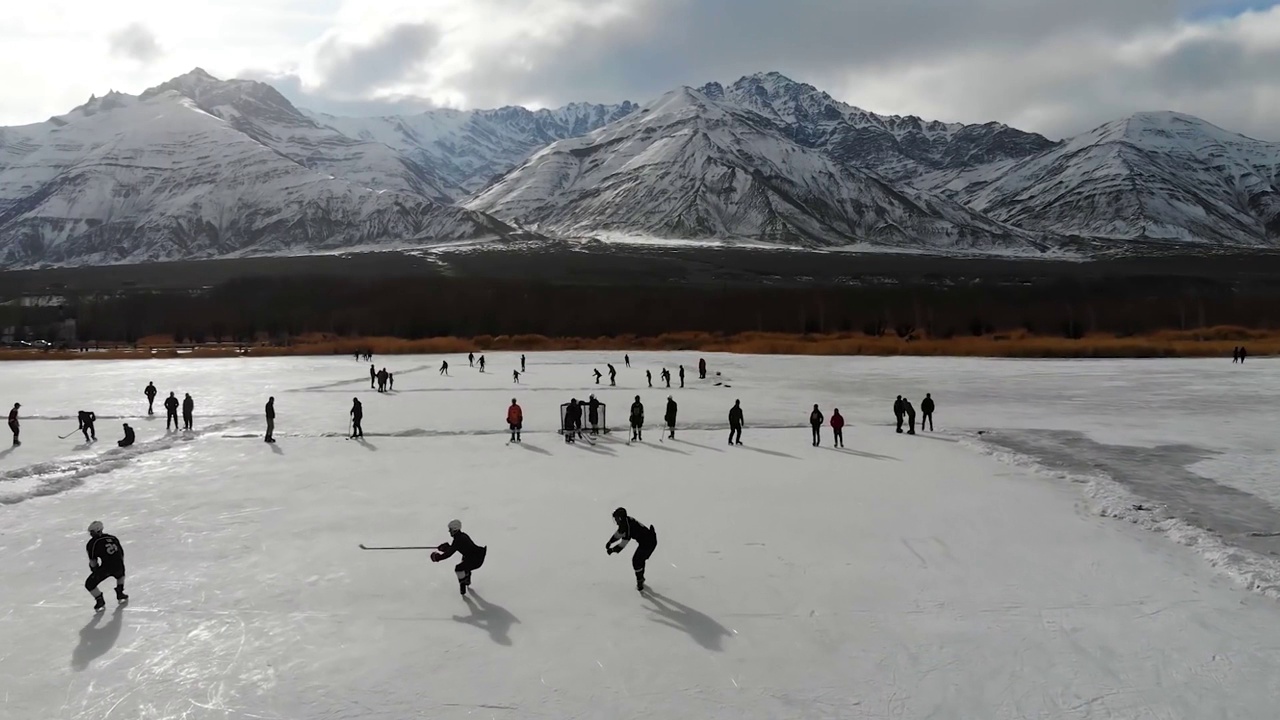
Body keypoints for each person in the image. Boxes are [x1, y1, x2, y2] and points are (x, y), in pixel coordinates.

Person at [606, 507, 657, 592]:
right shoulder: (627, 521)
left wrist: (612, 550)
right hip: (648, 540)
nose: (616, 521)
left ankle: (640, 581)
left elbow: (622, 545)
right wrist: (610, 542)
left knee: (636, 561)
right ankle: (641, 578)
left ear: (620, 518)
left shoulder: (627, 527)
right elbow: (619, 533)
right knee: (640, 560)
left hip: (648, 543)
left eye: (616, 519)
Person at [432, 519, 487, 596]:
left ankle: (463, 585)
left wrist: (437, 557)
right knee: (463, 564)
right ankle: (466, 579)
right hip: (475, 556)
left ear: (454, 529)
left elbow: (450, 553)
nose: (449, 531)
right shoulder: (461, 536)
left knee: (459, 568)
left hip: (476, 560)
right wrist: (446, 548)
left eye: (450, 529)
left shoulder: (459, 539)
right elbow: (455, 548)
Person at [84, 520, 127, 611]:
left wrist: (94, 569)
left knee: (89, 584)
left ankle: (99, 600)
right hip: (119, 565)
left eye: (92, 532)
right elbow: (121, 553)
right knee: (120, 575)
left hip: (106, 567)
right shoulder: (113, 538)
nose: (91, 534)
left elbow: (93, 560)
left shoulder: (93, 543)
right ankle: (120, 592)